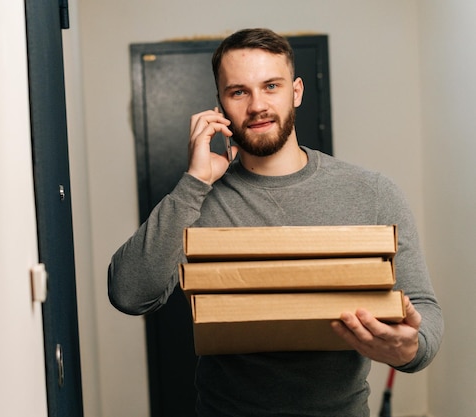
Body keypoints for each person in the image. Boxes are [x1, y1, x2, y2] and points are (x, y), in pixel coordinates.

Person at [108, 28, 443, 416]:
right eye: (238, 92)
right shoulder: (195, 202)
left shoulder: (372, 192)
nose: (257, 106)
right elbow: (129, 294)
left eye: (271, 86)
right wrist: (194, 183)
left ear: (296, 91)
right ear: (220, 105)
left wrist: (410, 347)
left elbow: (424, 309)